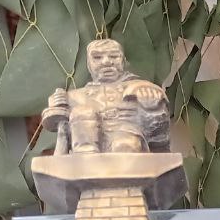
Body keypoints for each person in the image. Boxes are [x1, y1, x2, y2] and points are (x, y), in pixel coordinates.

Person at [42, 38, 170, 155]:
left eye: (114, 56)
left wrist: (153, 109)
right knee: (82, 112)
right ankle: (87, 159)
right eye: (97, 57)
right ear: (88, 64)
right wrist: (58, 108)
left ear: (123, 61)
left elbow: (159, 140)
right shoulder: (74, 97)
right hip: (85, 152)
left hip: (127, 141)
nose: (106, 62)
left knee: (125, 144)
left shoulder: (141, 88)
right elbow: (61, 133)